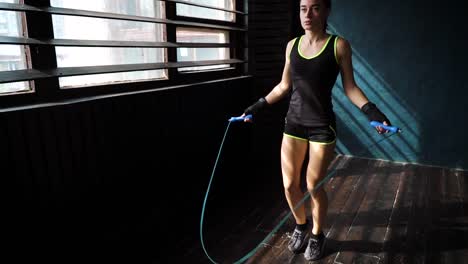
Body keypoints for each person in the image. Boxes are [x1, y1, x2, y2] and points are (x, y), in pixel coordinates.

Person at [241, 0, 392, 261]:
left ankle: (317, 234)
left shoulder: (339, 45)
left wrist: (374, 114)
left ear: (326, 11)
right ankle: (301, 226)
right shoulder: (292, 45)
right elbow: (283, 86)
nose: (307, 14)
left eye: (315, 8)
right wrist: (255, 107)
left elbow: (351, 88)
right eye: (303, 8)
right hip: (294, 125)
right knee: (289, 185)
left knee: (312, 185)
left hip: (322, 127)